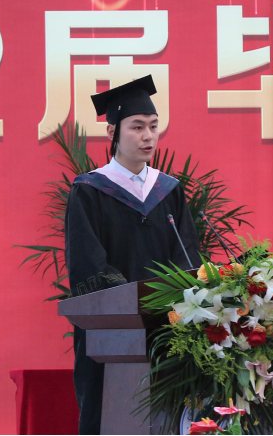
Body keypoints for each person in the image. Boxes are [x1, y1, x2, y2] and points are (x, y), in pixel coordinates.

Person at [65, 75, 200, 434]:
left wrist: (179, 300)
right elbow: (87, 263)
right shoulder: (89, 191)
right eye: (137, 127)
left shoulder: (168, 191)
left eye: (153, 126)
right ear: (112, 132)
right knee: (109, 414)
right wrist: (132, 304)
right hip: (112, 334)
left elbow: (187, 255)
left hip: (168, 330)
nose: (148, 136)